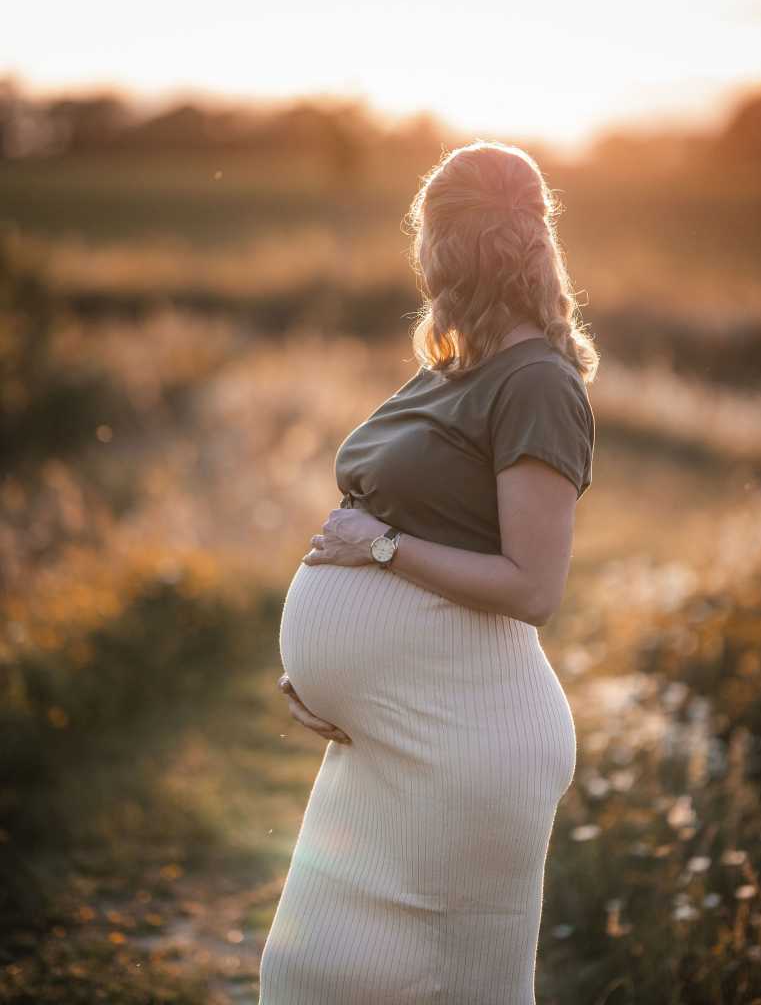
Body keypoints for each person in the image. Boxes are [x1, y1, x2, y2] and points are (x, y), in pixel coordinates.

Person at [258, 139, 599, 1004]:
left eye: (428, 236)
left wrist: (378, 552)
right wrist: (341, 688)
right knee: (309, 973)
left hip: (472, 745)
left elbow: (534, 587)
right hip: (401, 736)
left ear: (447, 245)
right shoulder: (453, 365)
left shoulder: (538, 383)